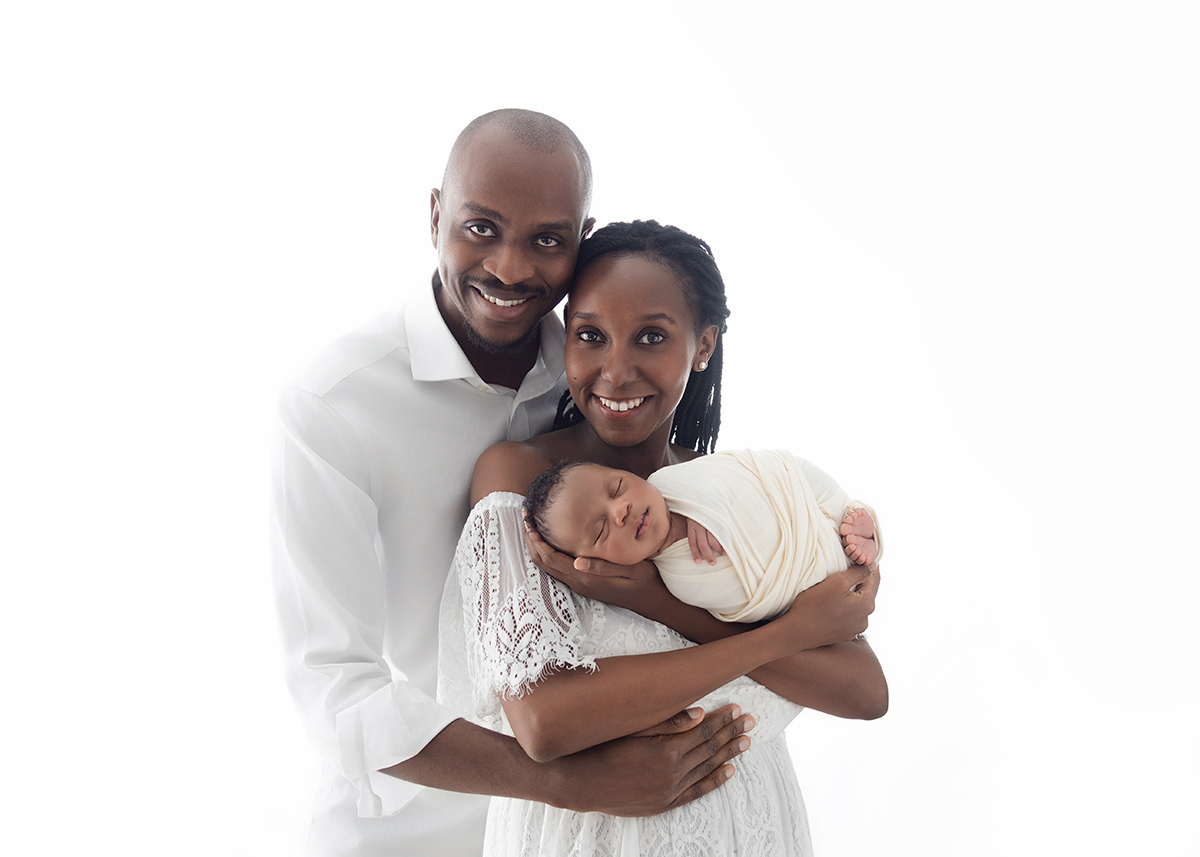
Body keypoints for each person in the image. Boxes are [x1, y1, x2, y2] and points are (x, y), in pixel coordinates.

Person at [272, 111, 757, 857]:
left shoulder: (601, 372)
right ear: (435, 215)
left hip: (574, 835)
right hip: (406, 834)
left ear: (580, 239)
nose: (508, 268)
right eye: (480, 228)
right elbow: (335, 691)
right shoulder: (336, 404)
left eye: (547, 240)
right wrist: (571, 780)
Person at [438, 219, 886, 856]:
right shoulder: (525, 483)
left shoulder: (734, 495)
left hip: (755, 831)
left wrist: (656, 600)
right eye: (590, 335)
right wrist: (788, 635)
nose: (615, 372)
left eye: (651, 336)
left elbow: (866, 692)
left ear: (703, 346)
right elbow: (544, 721)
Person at [521, 450, 882, 623]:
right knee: (824, 581)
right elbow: (754, 602)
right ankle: (847, 549)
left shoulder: (671, 479)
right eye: (601, 531)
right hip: (797, 569)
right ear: (598, 563)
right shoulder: (680, 579)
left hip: (793, 494)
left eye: (617, 487)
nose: (620, 511)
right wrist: (727, 530)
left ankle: (846, 515)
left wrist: (708, 507)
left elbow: (748, 469)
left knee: (802, 475)